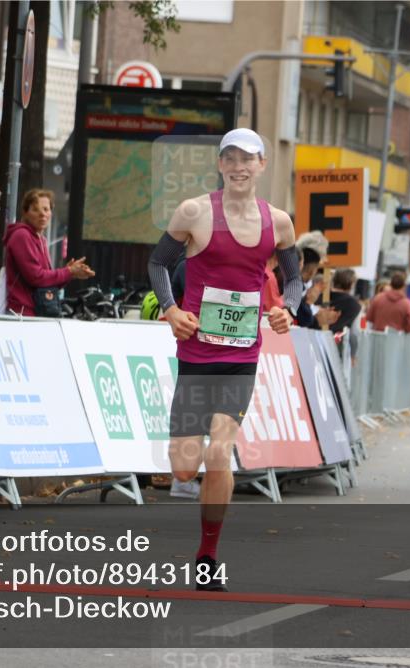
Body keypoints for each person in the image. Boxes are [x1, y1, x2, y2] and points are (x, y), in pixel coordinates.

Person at [147, 128, 302, 592]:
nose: (238, 166)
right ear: (220, 164)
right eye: (230, 158)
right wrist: (172, 309)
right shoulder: (194, 212)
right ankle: (198, 474)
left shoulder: (279, 222)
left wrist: (287, 309)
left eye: (247, 159)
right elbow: (158, 264)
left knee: (220, 452)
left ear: (261, 165)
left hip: (241, 357)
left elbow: (294, 280)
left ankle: (208, 556)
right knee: (181, 467)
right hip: (196, 353)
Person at [3, 188, 94, 316]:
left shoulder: (41, 239)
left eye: (46, 209)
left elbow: (46, 283)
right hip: (22, 313)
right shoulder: (22, 235)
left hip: (37, 311)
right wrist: (68, 271)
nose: (42, 214)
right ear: (25, 212)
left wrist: (71, 273)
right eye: (35, 209)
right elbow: (36, 277)